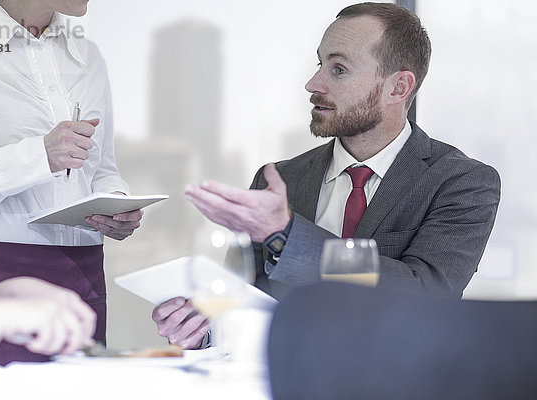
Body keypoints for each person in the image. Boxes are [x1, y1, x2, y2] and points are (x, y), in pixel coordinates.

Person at [152, 2, 501, 348]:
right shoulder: (278, 180)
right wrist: (202, 330)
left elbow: (426, 297)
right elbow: (244, 301)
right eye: (321, 63)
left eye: (339, 69)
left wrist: (285, 234)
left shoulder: (462, 183)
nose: (313, 83)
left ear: (398, 88)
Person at [0, 0, 142, 369]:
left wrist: (116, 203)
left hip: (84, 280)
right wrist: (38, 156)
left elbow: (100, 169)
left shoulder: (88, 54)